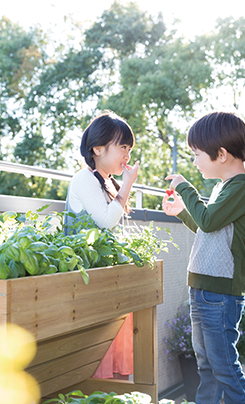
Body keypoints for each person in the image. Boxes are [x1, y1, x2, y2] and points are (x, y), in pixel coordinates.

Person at [162, 111, 245, 404]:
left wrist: (184, 187)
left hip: (220, 293)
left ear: (221, 154)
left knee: (224, 369)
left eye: (196, 154)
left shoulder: (243, 186)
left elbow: (207, 220)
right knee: (207, 368)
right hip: (205, 290)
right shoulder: (224, 188)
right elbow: (208, 228)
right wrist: (181, 211)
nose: (194, 161)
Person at [65, 110, 140, 379]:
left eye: (129, 149)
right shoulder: (84, 178)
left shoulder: (107, 182)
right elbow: (107, 222)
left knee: (115, 352)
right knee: (98, 355)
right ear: (97, 148)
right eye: (122, 147)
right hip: (87, 280)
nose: (127, 155)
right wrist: (127, 187)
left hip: (103, 277)